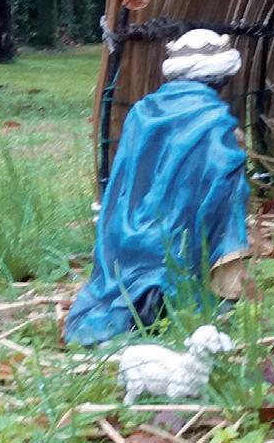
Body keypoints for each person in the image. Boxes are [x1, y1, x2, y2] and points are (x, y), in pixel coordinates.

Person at [65, 30, 250, 346]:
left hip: (127, 233)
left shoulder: (141, 112)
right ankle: (177, 306)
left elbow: (122, 182)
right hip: (180, 239)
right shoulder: (217, 123)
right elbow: (221, 187)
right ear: (221, 78)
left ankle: (134, 308)